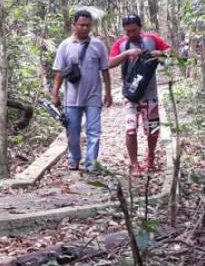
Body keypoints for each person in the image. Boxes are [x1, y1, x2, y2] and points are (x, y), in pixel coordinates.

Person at [108, 14, 172, 174]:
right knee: (130, 129)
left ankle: (150, 157)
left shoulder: (152, 39)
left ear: (140, 27)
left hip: (150, 93)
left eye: (134, 30)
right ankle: (134, 163)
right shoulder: (121, 44)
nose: (131, 34)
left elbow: (171, 52)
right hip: (130, 95)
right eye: (128, 31)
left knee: (153, 129)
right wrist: (126, 54)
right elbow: (109, 63)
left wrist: (159, 53)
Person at [52, 9, 113, 172]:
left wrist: (108, 92)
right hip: (72, 97)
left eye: (88, 25)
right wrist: (55, 93)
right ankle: (74, 158)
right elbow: (58, 71)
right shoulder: (65, 45)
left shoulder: (98, 45)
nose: (85, 28)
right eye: (81, 25)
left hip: (93, 95)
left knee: (94, 131)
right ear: (74, 25)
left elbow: (105, 70)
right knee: (73, 131)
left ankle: (91, 163)